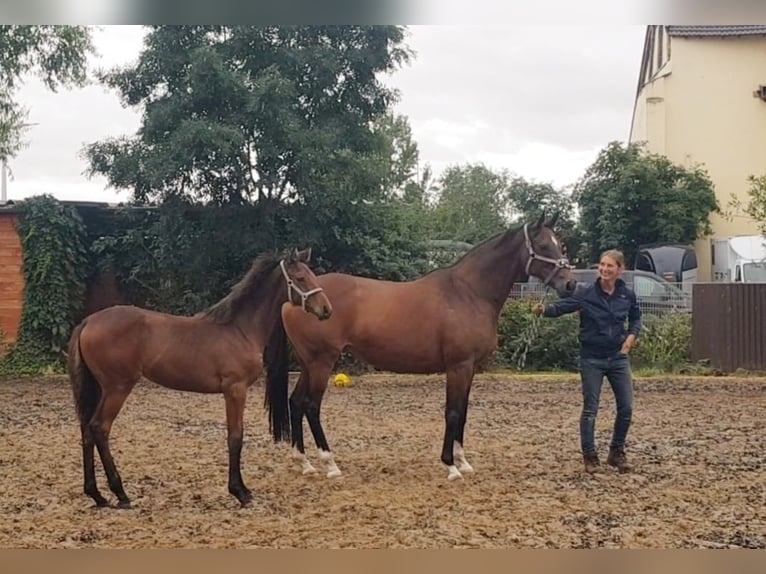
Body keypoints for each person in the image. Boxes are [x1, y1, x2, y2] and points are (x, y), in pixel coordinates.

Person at [532, 249, 642, 474]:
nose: (604, 269)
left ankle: (616, 452)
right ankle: (590, 456)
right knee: (591, 409)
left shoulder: (627, 295)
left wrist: (631, 337)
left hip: (618, 358)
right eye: (602, 265)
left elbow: (636, 318)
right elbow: (563, 308)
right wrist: (543, 310)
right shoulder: (586, 293)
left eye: (610, 266)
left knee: (627, 407)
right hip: (592, 358)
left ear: (620, 270)